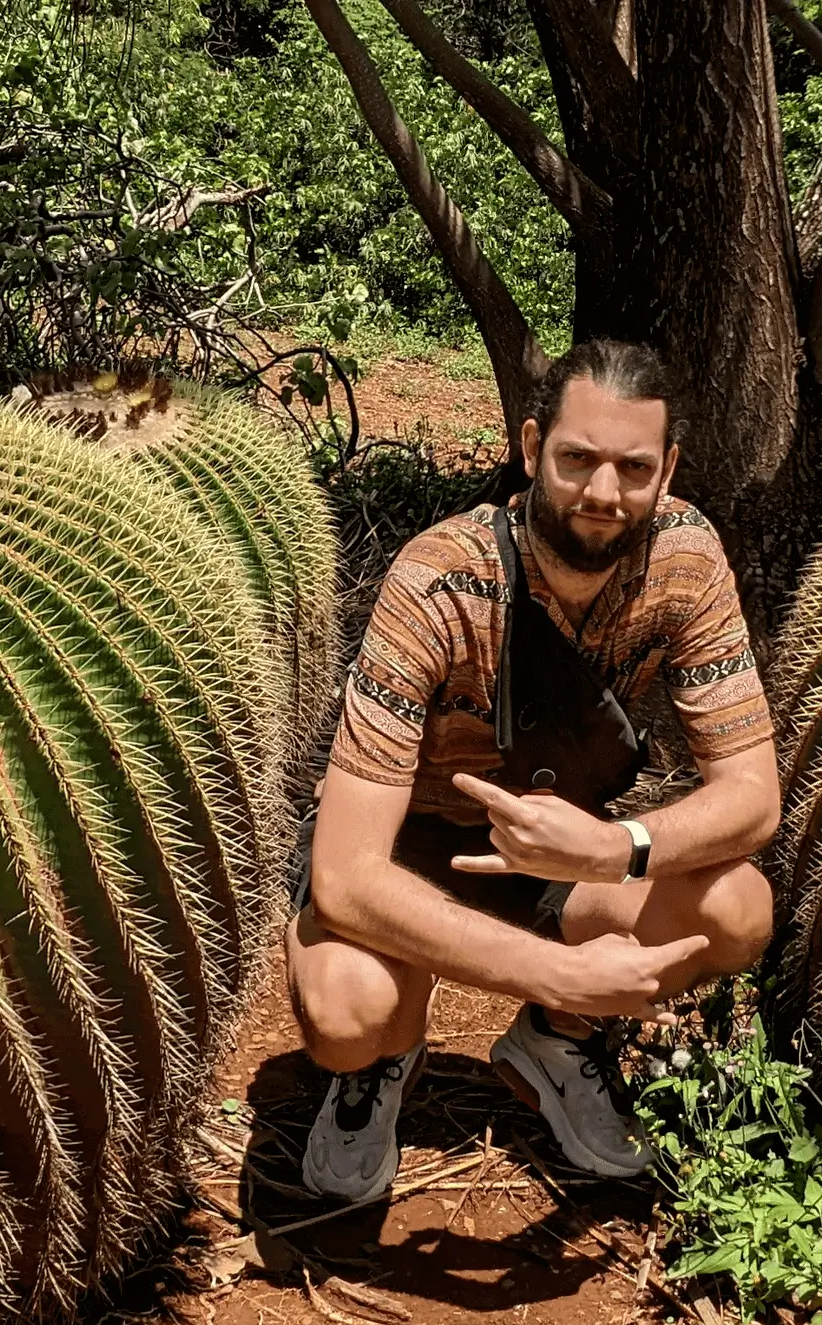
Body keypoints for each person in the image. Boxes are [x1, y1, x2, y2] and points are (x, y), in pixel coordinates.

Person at [288, 339, 780, 1201]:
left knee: (737, 908)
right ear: (528, 449)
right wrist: (557, 969)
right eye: (577, 458)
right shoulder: (438, 579)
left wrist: (610, 848)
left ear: (667, 470)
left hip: (560, 850)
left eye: (632, 467)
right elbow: (342, 873)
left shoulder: (688, 560)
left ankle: (557, 1040)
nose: (602, 492)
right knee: (346, 1010)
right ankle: (387, 1058)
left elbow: (753, 795)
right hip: (404, 851)